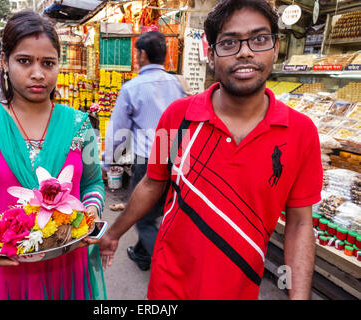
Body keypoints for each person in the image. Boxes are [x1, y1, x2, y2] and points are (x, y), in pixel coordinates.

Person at [99, 0, 322, 300]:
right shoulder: (177, 117)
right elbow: (153, 183)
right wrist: (114, 232)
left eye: (259, 39)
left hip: (239, 289)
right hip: (169, 288)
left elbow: (299, 223)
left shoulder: (300, 132)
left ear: (275, 47)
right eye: (229, 42)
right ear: (211, 54)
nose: (245, 51)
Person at [0, 10, 106, 300]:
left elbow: (93, 184)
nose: (38, 73)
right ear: (5, 62)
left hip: (65, 266)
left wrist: (91, 212)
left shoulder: (79, 126)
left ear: (59, 65)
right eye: (24, 61)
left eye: (48, 63)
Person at [102, 31, 185, 271]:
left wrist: (108, 163)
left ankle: (167, 267)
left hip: (148, 161)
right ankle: (141, 253)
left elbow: (118, 129)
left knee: (145, 217)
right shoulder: (175, 84)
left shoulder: (132, 87)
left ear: (143, 55)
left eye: (137, 53)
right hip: (176, 158)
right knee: (162, 210)